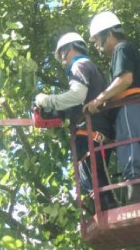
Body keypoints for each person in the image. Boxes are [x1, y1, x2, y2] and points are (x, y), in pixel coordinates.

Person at [83, 11, 140, 204]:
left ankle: (137, 206)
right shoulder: (130, 50)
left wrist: (99, 100)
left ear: (108, 34)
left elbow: (125, 80)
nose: (98, 47)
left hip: (131, 108)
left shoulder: (121, 49)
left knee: (133, 158)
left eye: (98, 41)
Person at [35, 32, 116, 211]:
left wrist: (48, 100)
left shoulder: (79, 65)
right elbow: (81, 102)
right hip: (91, 132)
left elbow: (76, 95)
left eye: (63, 52)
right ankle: (105, 212)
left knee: (96, 182)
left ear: (70, 47)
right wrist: (58, 114)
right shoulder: (90, 68)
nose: (62, 57)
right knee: (92, 182)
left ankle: (109, 214)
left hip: (93, 133)